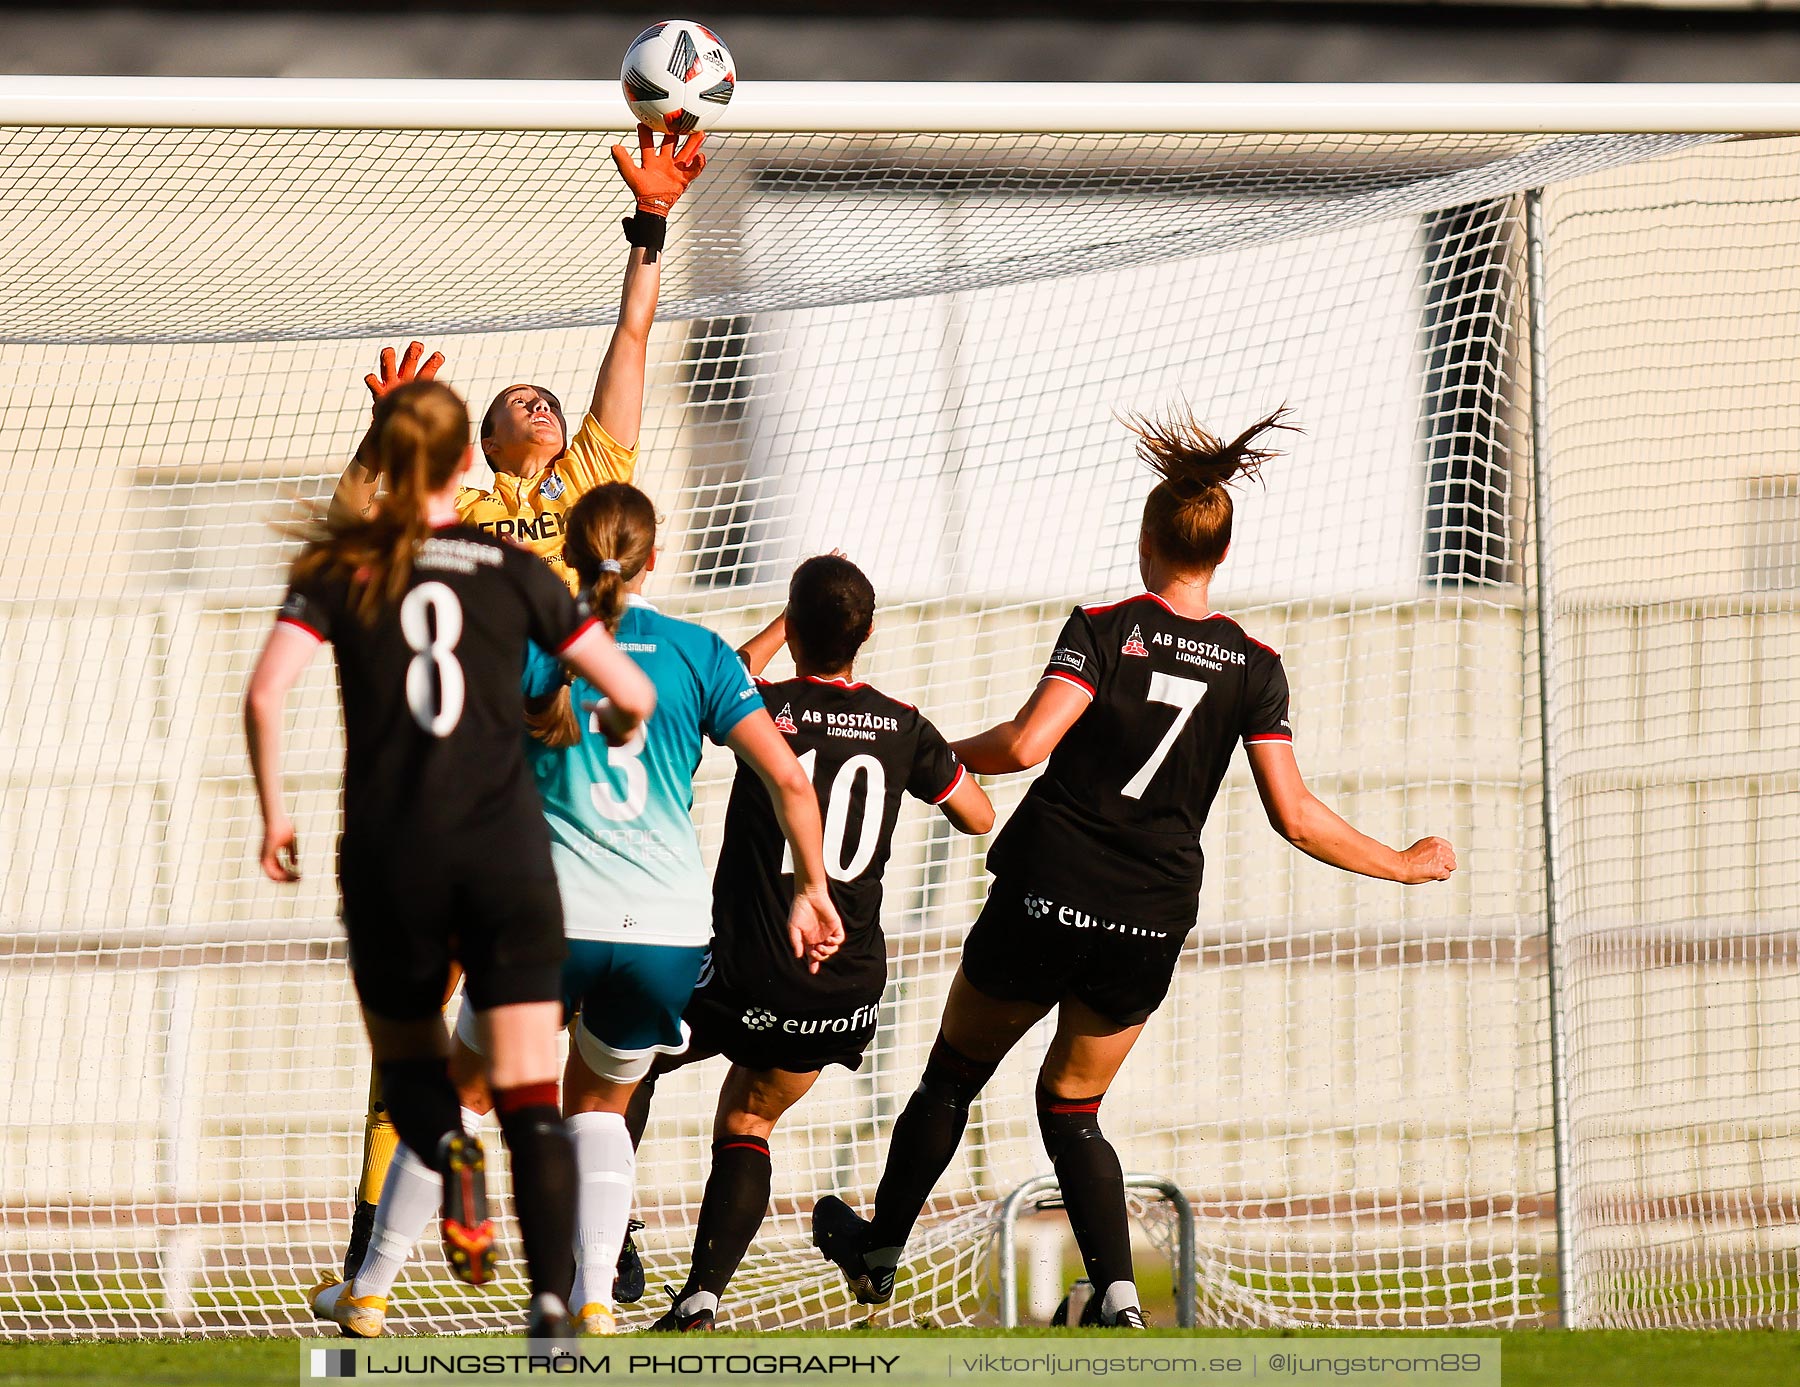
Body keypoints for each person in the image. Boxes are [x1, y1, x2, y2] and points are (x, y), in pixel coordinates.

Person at [809, 407, 1459, 1328]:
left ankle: (880, 1252)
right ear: (1221, 556)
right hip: (1148, 919)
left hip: (1048, 891)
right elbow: (1297, 815)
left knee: (953, 1074)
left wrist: (937, 757)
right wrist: (1401, 863)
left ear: (1148, 539)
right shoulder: (1256, 666)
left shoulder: (1107, 628)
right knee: (1072, 1108)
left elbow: (1030, 741)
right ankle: (1117, 1293)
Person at [305, 483, 844, 1339]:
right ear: (653, 557)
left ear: (566, 548)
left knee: (462, 1094)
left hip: (544, 919)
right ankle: (595, 1297)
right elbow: (787, 778)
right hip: (664, 930)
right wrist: (811, 888)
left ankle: (368, 1289)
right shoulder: (701, 653)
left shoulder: (523, 647)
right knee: (597, 1106)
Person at [328, 123, 707, 1284]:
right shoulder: (468, 512)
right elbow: (358, 529)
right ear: (485, 440)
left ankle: (600, 1236)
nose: (541, 402)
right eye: (518, 399)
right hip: (490, 782)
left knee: (589, 1023)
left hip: (588, 795)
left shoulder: (599, 486)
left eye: (551, 395)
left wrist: (651, 226)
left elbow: (633, 334)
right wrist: (389, 434)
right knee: (434, 1024)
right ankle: (384, 1240)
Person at [246, 380, 656, 1339]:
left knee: (414, 1056)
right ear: (468, 462)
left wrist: (274, 816)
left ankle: (443, 1162)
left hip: (395, 848)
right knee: (524, 1082)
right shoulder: (515, 569)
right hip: (508, 842)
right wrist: (606, 718)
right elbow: (627, 687)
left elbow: (266, 695)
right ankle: (556, 1298)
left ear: (397, 460)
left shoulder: (352, 564)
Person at [626, 554, 995, 1333]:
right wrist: (919, 759)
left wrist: (775, 634)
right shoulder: (904, 725)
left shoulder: (767, 708)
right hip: (841, 986)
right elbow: (978, 813)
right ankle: (699, 1297)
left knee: (622, 1053)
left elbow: (714, 680)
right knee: (748, 1119)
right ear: (867, 632)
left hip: (745, 970)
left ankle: (612, 1231)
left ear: (794, 627)